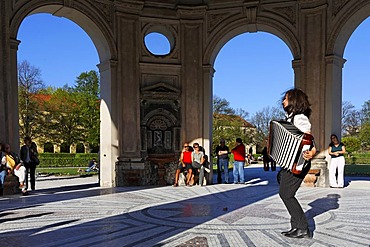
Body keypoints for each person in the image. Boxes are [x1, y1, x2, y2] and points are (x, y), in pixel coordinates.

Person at [279, 88, 316, 239]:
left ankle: (303, 228)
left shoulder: (299, 118)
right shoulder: (290, 119)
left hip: (298, 162)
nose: (283, 101)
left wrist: (311, 152)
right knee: (286, 193)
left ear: (294, 100)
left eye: (286, 98)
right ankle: (296, 227)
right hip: (290, 162)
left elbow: (308, 140)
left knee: (286, 194)